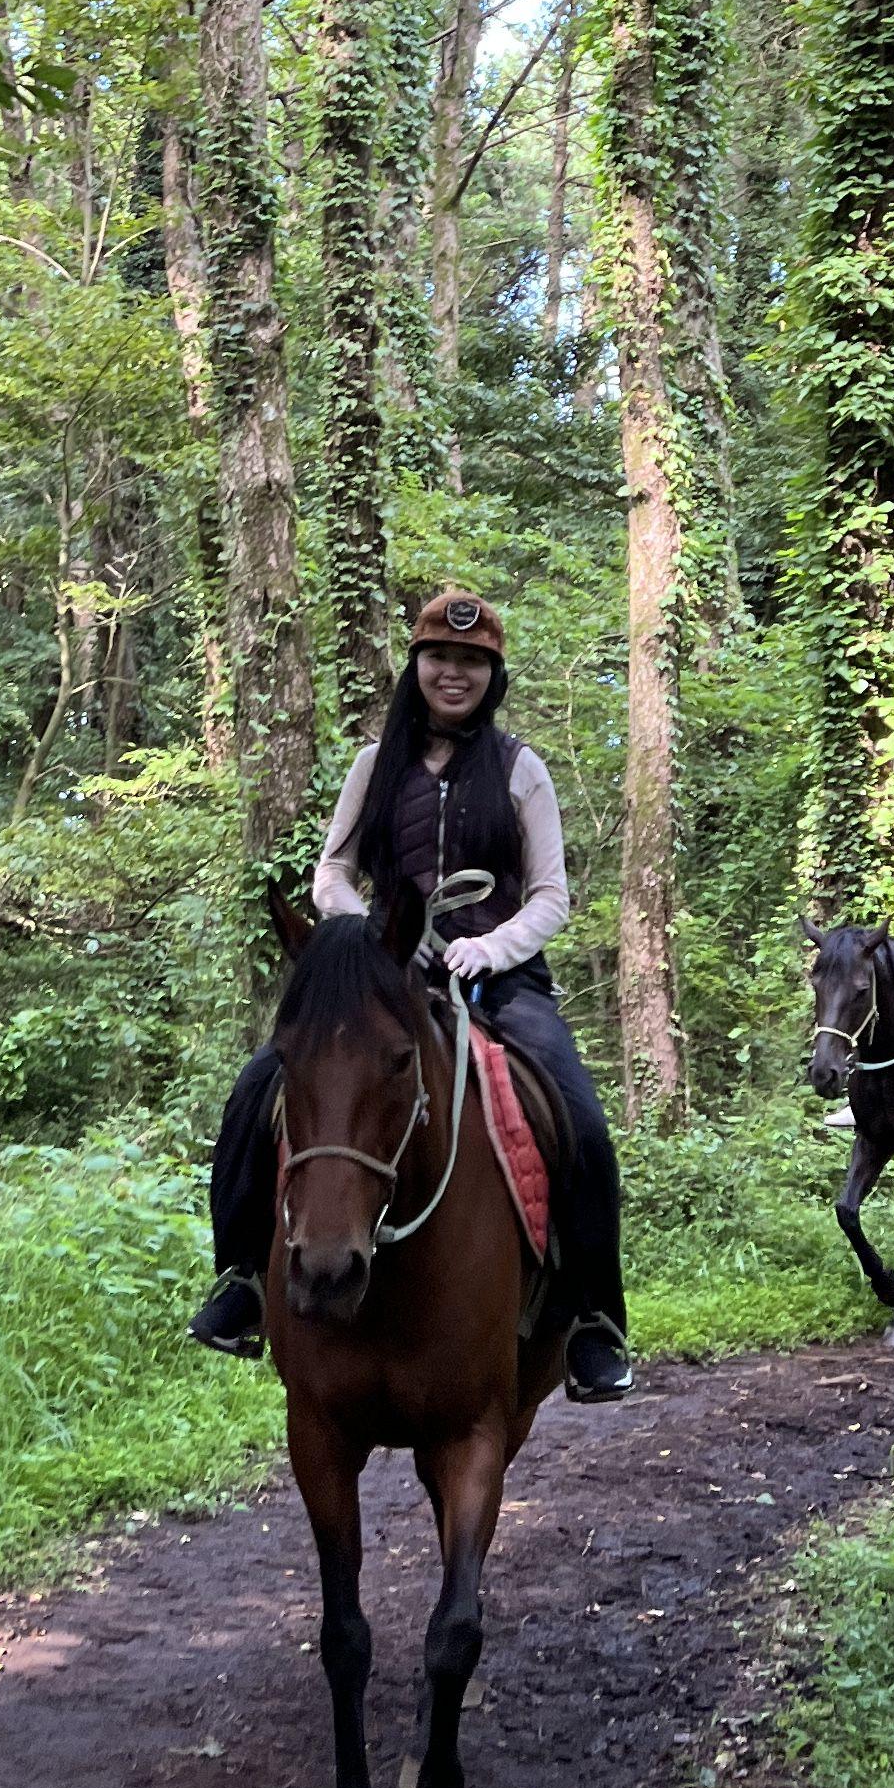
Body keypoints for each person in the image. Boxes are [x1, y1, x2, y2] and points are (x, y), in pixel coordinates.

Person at [188, 584, 635, 1401]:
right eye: (440, 658)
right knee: (257, 1091)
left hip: (501, 981)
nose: (454, 673)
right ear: (417, 666)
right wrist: (367, 933)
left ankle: (594, 1320)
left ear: (491, 675)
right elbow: (332, 870)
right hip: (384, 982)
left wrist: (485, 948)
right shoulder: (374, 765)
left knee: (583, 1124)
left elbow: (552, 896)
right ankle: (240, 1282)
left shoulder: (520, 769)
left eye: (472, 661)